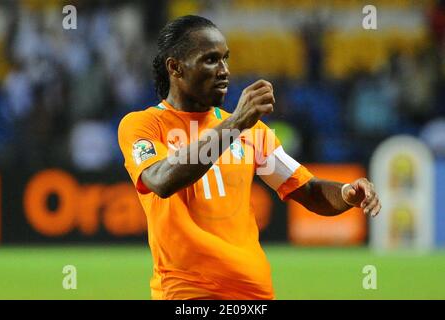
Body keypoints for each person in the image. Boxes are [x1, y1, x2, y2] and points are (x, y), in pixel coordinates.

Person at [118, 15, 381, 300]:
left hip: (255, 293)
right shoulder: (143, 125)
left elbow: (306, 189)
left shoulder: (251, 131)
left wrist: (346, 193)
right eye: (210, 60)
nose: (224, 71)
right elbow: (161, 180)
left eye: (225, 59)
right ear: (175, 68)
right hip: (186, 294)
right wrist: (236, 124)